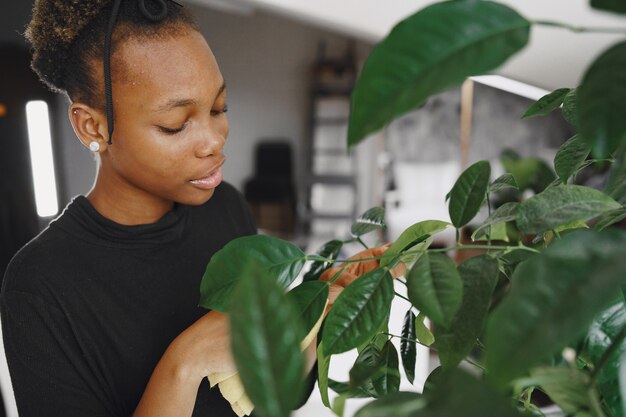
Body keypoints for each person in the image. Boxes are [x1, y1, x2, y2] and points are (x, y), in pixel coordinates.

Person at [1, 0, 398, 415]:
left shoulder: (226, 210)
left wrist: (324, 304)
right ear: (93, 126)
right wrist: (185, 363)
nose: (215, 140)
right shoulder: (40, 286)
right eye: (175, 124)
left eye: (218, 109)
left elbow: (270, 397)